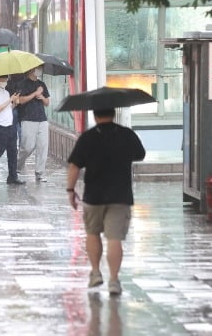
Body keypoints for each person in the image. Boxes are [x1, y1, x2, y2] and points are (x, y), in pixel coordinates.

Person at [65, 108, 145, 295]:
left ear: (95, 115)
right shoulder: (126, 134)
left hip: (94, 196)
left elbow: (74, 166)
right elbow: (140, 154)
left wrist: (70, 190)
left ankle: (95, 273)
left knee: (93, 233)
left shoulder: (87, 137)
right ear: (114, 113)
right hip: (121, 195)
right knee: (114, 238)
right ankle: (114, 281)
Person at [16, 66, 50, 182]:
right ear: (31, 69)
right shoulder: (23, 84)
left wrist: (42, 97)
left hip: (42, 119)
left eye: (41, 68)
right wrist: (35, 93)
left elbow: (47, 103)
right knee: (27, 146)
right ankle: (18, 166)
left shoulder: (42, 84)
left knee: (43, 146)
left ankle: (39, 173)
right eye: (37, 68)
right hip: (28, 119)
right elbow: (20, 100)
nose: (39, 70)